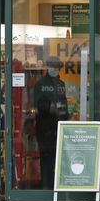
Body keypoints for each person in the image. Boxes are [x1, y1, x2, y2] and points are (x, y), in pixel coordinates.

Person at [33, 56, 68, 189]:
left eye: (57, 68)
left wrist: (66, 120)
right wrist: (51, 109)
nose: (54, 70)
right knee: (46, 157)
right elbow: (38, 106)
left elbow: (64, 103)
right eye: (52, 67)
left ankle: (56, 184)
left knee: (58, 157)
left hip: (59, 125)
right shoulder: (41, 84)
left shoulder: (61, 84)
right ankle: (46, 186)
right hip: (45, 126)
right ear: (48, 68)